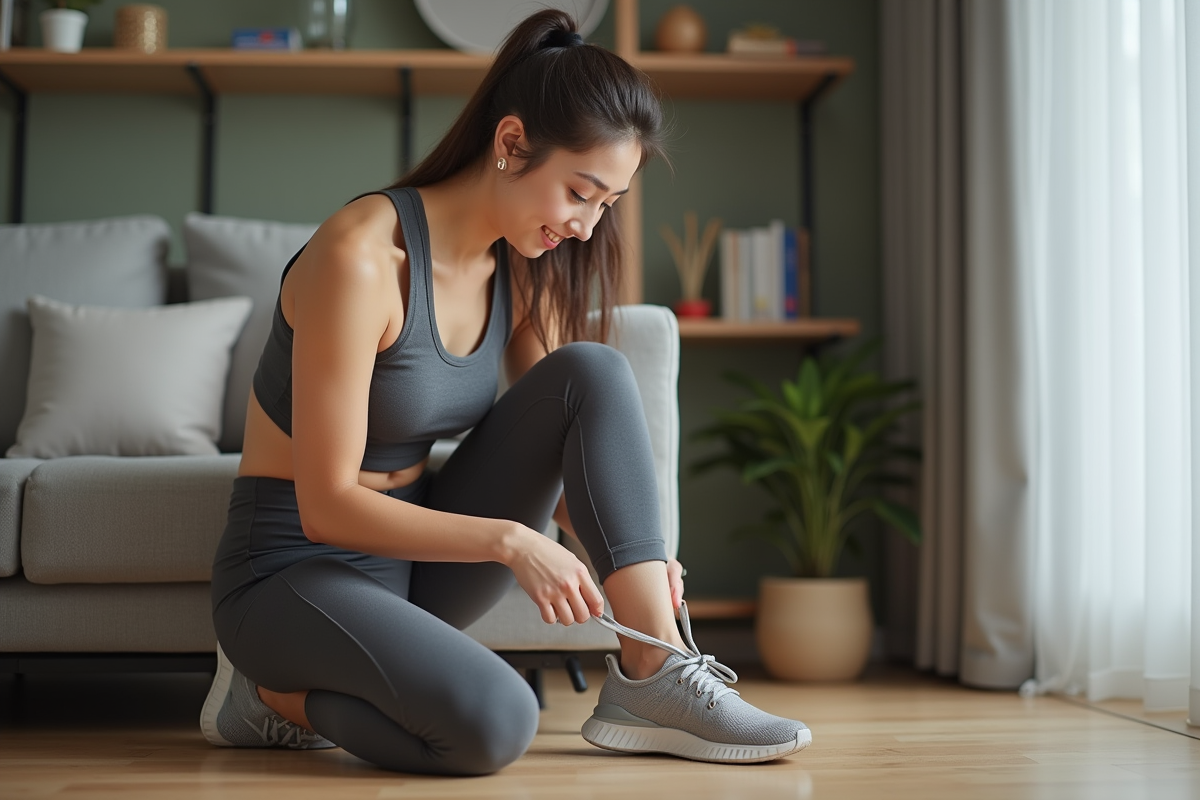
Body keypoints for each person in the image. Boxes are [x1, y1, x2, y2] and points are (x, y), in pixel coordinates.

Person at [199, 9, 810, 775]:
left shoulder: (517, 265)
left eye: (607, 205)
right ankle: (270, 694)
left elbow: (569, 441)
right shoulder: (361, 260)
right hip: (292, 573)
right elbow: (324, 507)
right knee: (497, 722)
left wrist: (639, 563)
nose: (588, 227)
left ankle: (655, 674)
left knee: (594, 370)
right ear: (512, 143)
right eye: (581, 193)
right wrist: (512, 543)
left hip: (409, 573)